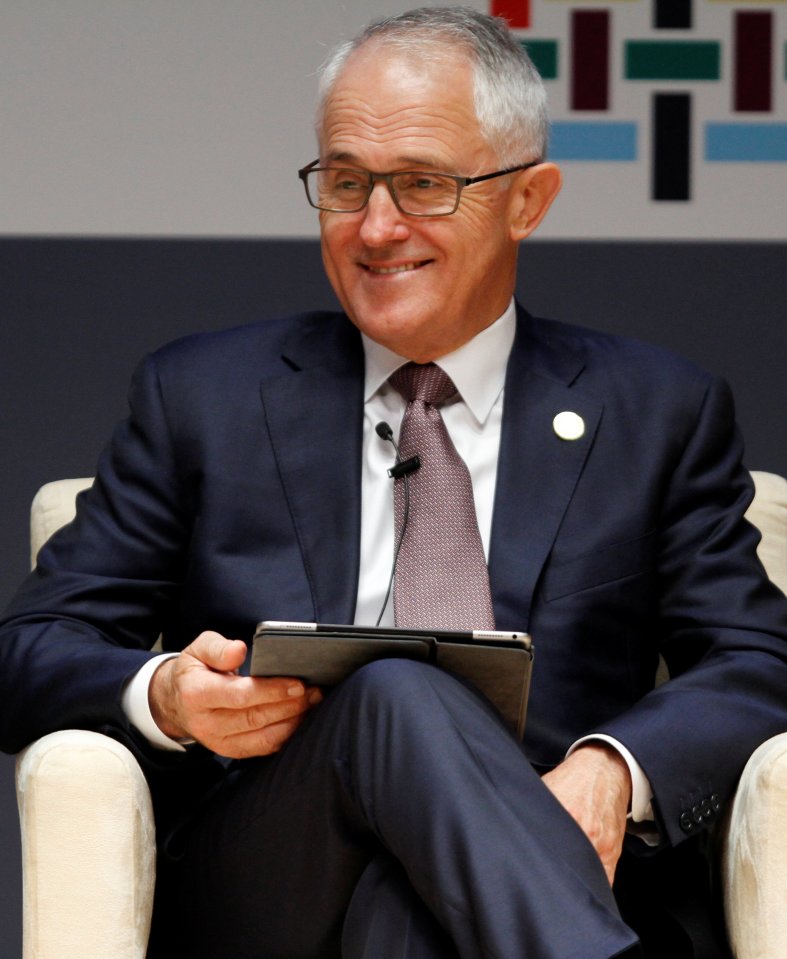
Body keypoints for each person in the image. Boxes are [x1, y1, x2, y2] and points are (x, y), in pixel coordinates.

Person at [1, 7, 786, 958]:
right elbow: (26, 653)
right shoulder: (203, 397)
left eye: (420, 184)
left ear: (527, 200)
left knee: (406, 909)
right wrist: (164, 692)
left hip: (553, 875)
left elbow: (759, 661)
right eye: (344, 183)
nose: (376, 227)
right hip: (273, 881)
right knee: (393, 693)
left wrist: (613, 769)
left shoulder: (655, 410)